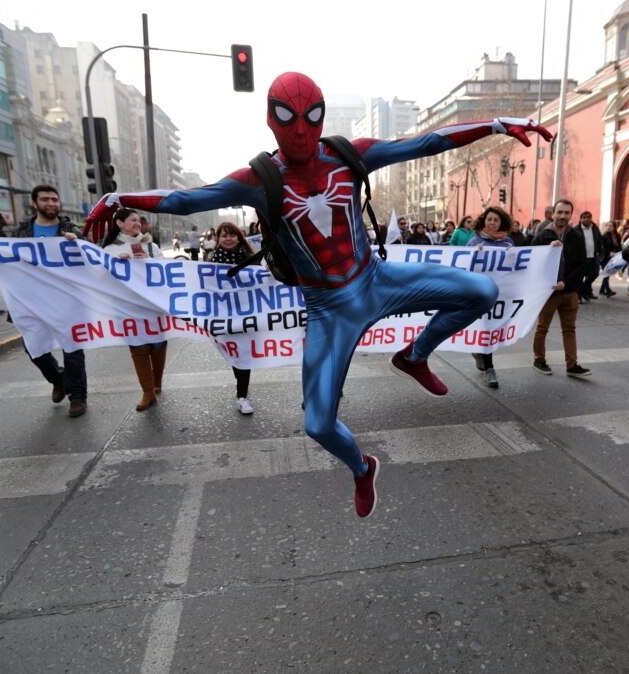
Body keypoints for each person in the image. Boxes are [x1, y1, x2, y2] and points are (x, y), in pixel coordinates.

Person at [85, 71, 551, 518]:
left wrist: (494, 126)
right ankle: (362, 467)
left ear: (324, 117)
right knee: (319, 424)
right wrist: (119, 199)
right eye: (288, 117)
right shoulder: (259, 179)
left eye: (313, 117)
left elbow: (424, 142)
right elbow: (188, 199)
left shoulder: (350, 155)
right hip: (329, 309)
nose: (302, 131)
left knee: (481, 291)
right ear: (271, 119)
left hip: (377, 278)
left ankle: (414, 355)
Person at [14, 184, 88, 417]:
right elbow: (4, 258)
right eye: (45, 199)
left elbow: (90, 254)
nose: (51, 204)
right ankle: (59, 379)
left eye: (54, 199)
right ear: (34, 203)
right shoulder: (23, 231)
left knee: (72, 347)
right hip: (32, 299)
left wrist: (77, 242)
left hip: (66, 299)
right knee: (32, 346)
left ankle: (78, 397)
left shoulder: (70, 228)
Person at [100, 208, 167, 412]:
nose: (138, 223)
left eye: (139, 220)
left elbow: (165, 268)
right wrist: (116, 263)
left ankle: (157, 382)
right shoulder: (110, 248)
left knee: (157, 344)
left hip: (151, 304)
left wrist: (147, 261)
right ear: (119, 223)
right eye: (133, 220)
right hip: (127, 306)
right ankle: (147, 391)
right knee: (137, 347)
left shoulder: (151, 245)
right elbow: (101, 273)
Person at [530, 199, 591, 378]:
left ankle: (572, 365)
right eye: (560, 212)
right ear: (553, 214)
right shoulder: (542, 237)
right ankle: (539, 360)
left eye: (566, 213)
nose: (563, 216)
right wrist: (547, 250)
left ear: (571, 215)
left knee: (569, 329)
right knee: (542, 328)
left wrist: (566, 283)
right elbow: (532, 261)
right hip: (548, 293)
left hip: (569, 292)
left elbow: (582, 265)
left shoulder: (576, 236)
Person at [207, 221, 258, 414]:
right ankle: (241, 385)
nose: (228, 239)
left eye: (232, 235)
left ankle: (242, 396)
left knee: (243, 355)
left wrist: (268, 273)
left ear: (239, 237)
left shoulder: (251, 258)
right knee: (235, 355)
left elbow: (262, 283)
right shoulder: (211, 262)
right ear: (218, 239)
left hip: (247, 316)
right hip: (224, 318)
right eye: (224, 235)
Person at [466, 207, 515, 388]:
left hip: (501, 295)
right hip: (480, 293)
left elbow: (517, 268)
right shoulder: (474, 242)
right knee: (485, 329)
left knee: (493, 330)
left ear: (501, 222)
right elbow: (464, 267)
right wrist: (474, 256)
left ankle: (480, 353)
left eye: (496, 220)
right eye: (489, 220)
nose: (492, 223)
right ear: (483, 221)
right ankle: (489, 369)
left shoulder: (508, 242)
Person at [576, 210, 602, 302]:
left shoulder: (595, 228)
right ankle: (579, 295)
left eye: (588, 217)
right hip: (581, 258)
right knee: (580, 277)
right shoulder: (576, 229)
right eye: (584, 217)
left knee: (594, 273)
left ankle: (583, 290)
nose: (586, 219)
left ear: (591, 219)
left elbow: (599, 241)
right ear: (581, 219)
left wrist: (601, 253)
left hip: (593, 257)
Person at [598, 220, 621, 297]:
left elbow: (619, 246)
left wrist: (618, 253)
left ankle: (601, 290)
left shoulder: (616, 236)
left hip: (613, 258)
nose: (608, 227)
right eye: (607, 225)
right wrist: (609, 253)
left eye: (610, 226)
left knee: (607, 274)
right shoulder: (604, 236)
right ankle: (608, 290)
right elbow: (602, 248)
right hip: (604, 257)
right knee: (607, 273)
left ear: (614, 227)